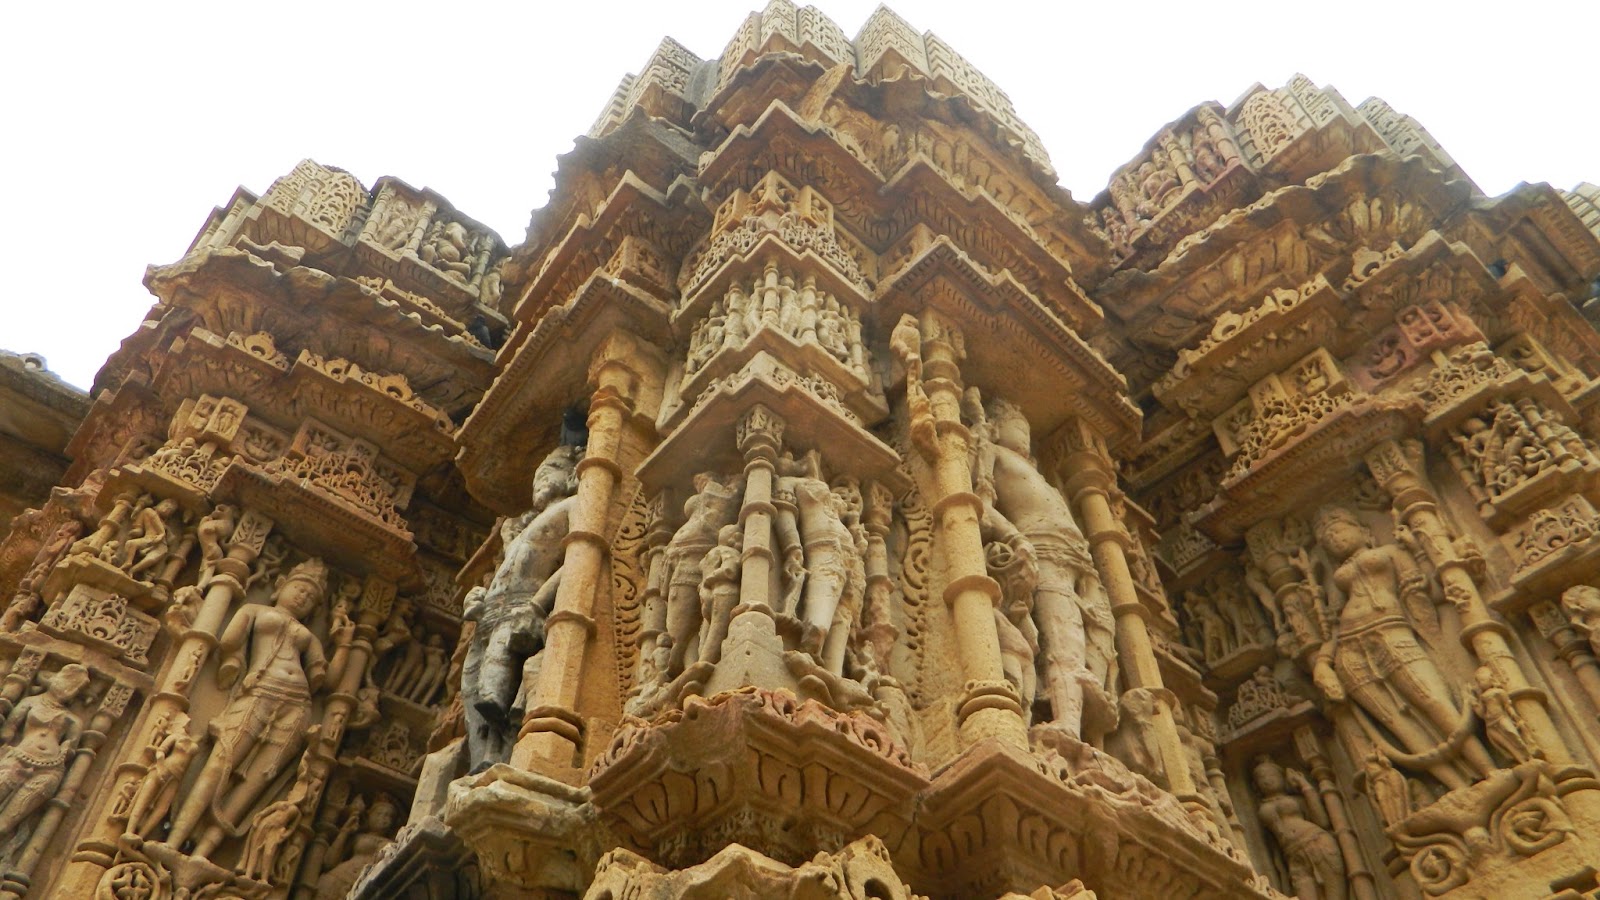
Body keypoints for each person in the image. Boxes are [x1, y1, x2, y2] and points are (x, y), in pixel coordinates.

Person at [165, 558, 333, 858]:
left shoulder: (308, 636)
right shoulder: (254, 610)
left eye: (311, 597)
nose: (303, 597)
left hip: (298, 702)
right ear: (280, 586)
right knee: (222, 760)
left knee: (260, 777)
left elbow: (325, 679)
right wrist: (236, 656)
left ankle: (203, 853)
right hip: (260, 689)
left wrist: (345, 644)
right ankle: (174, 841)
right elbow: (230, 639)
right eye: (299, 588)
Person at [0, 664, 91, 837]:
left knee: (7, 822)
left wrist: (65, 749)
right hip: (17, 758)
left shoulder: (73, 720)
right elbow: (8, 731)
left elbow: (71, 750)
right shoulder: (30, 703)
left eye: (76, 688)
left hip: (50, 769)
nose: (70, 689)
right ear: (53, 679)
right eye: (68, 682)